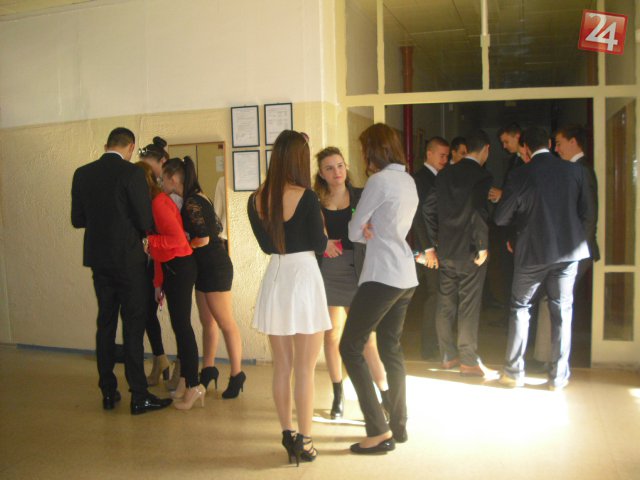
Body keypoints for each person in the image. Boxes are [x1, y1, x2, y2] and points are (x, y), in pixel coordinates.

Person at [71, 127, 172, 414]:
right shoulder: (132, 174)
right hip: (128, 261)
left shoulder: (82, 173)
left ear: (107, 146)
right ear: (130, 147)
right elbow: (144, 221)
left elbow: (77, 219)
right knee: (133, 325)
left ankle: (107, 391)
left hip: (98, 260)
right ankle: (138, 395)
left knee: (105, 323)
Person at [248, 130, 330, 465]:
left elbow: (265, 245)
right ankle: (305, 440)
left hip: (276, 276)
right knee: (305, 369)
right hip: (304, 277)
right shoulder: (306, 197)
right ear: (300, 159)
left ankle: (287, 433)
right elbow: (320, 244)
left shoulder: (256, 198)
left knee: (282, 366)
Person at [495, 126, 594, 390]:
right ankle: (558, 377)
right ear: (550, 144)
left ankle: (514, 372)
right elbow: (586, 213)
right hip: (568, 253)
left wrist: (520, 218)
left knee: (520, 308)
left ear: (526, 148)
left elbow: (501, 216)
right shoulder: (575, 171)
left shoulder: (520, 174)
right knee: (562, 310)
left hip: (532, 253)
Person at [340, 123, 418, 455]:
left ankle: (377, 430)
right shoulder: (407, 180)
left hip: (383, 275)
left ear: (373, 151)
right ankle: (398, 426)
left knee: (350, 346)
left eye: (364, 150)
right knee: (391, 348)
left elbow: (354, 231)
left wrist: (365, 225)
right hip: (405, 275)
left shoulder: (379, 181)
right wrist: (369, 225)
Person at [313, 146, 388, 420]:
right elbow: (312, 234)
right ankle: (337, 394)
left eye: (340, 165)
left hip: (358, 270)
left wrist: (371, 229)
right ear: (321, 174)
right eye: (329, 168)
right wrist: (322, 243)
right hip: (329, 271)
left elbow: (379, 225)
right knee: (331, 335)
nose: (337, 172)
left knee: (366, 338)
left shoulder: (361, 194)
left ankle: (385, 396)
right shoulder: (315, 200)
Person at [162, 157, 246, 398]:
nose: (161, 182)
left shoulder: (191, 201)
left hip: (215, 267)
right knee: (207, 321)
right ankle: (208, 369)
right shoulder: (198, 196)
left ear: (174, 179)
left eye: (163, 178)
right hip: (204, 267)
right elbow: (216, 227)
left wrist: (184, 245)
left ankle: (237, 374)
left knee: (226, 322)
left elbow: (205, 238)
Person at [423, 130, 495, 378]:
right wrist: (482, 244)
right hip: (470, 251)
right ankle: (468, 360)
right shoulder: (482, 175)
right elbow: (478, 212)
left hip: (446, 250)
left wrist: (435, 240)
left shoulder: (445, 174)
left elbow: (428, 208)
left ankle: (447, 355)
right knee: (468, 306)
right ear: (485, 149)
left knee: (445, 303)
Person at [136, 161, 204, 410]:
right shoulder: (155, 203)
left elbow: (176, 240)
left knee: (183, 327)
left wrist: (148, 242)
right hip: (173, 268)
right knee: (179, 326)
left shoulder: (158, 203)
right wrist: (158, 283)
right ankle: (187, 383)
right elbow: (160, 252)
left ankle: (194, 385)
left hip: (181, 267)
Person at [412, 137, 450, 360]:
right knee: (434, 294)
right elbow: (418, 216)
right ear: (429, 154)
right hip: (424, 247)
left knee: (434, 294)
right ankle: (428, 346)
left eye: (447, 156)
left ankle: (432, 343)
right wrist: (428, 248)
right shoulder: (420, 179)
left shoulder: (439, 177)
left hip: (432, 245)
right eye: (441, 155)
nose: (445, 160)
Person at [138, 136, 172, 386]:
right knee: (146, 311)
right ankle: (160, 358)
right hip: (149, 258)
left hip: (167, 258)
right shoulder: (147, 190)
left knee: (176, 318)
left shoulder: (165, 193)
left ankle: (177, 367)